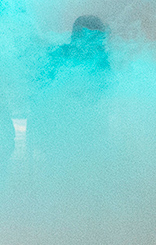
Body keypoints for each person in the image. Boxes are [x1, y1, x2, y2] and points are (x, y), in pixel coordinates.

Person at [28, 15, 111, 188]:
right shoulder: (58, 56)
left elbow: (105, 94)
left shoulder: (101, 61)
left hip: (87, 135)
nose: (100, 43)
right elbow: (39, 94)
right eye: (95, 37)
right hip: (61, 135)